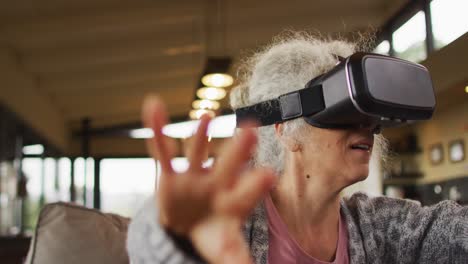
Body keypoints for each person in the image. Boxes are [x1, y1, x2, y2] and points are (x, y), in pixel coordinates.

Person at [126, 33, 468, 264]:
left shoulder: (378, 226)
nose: (366, 126)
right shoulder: (236, 222)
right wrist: (173, 236)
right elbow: (147, 248)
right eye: (345, 113)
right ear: (285, 131)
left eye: (370, 116)